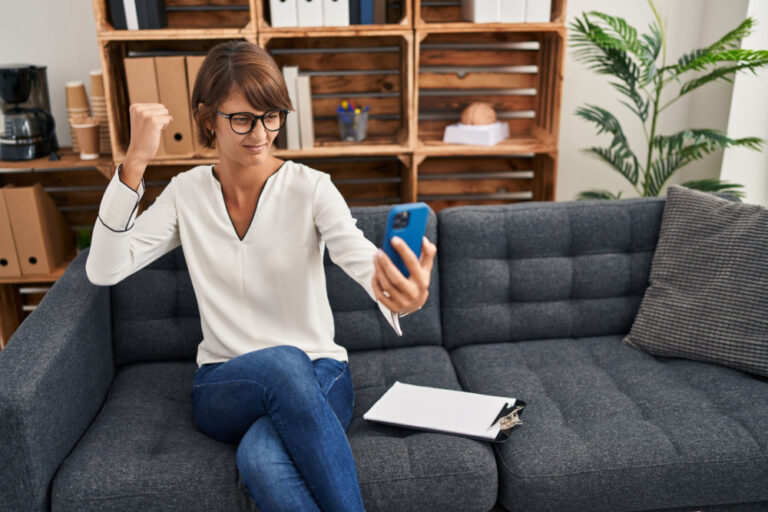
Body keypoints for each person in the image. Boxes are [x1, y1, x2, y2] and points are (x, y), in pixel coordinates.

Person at [84, 40, 436, 511]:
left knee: (261, 459)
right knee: (281, 362)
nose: (261, 132)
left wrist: (399, 293)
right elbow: (104, 268)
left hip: (321, 374)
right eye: (243, 118)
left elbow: (358, 256)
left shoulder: (311, 188)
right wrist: (134, 164)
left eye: (272, 116)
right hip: (223, 384)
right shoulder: (185, 194)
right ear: (208, 118)